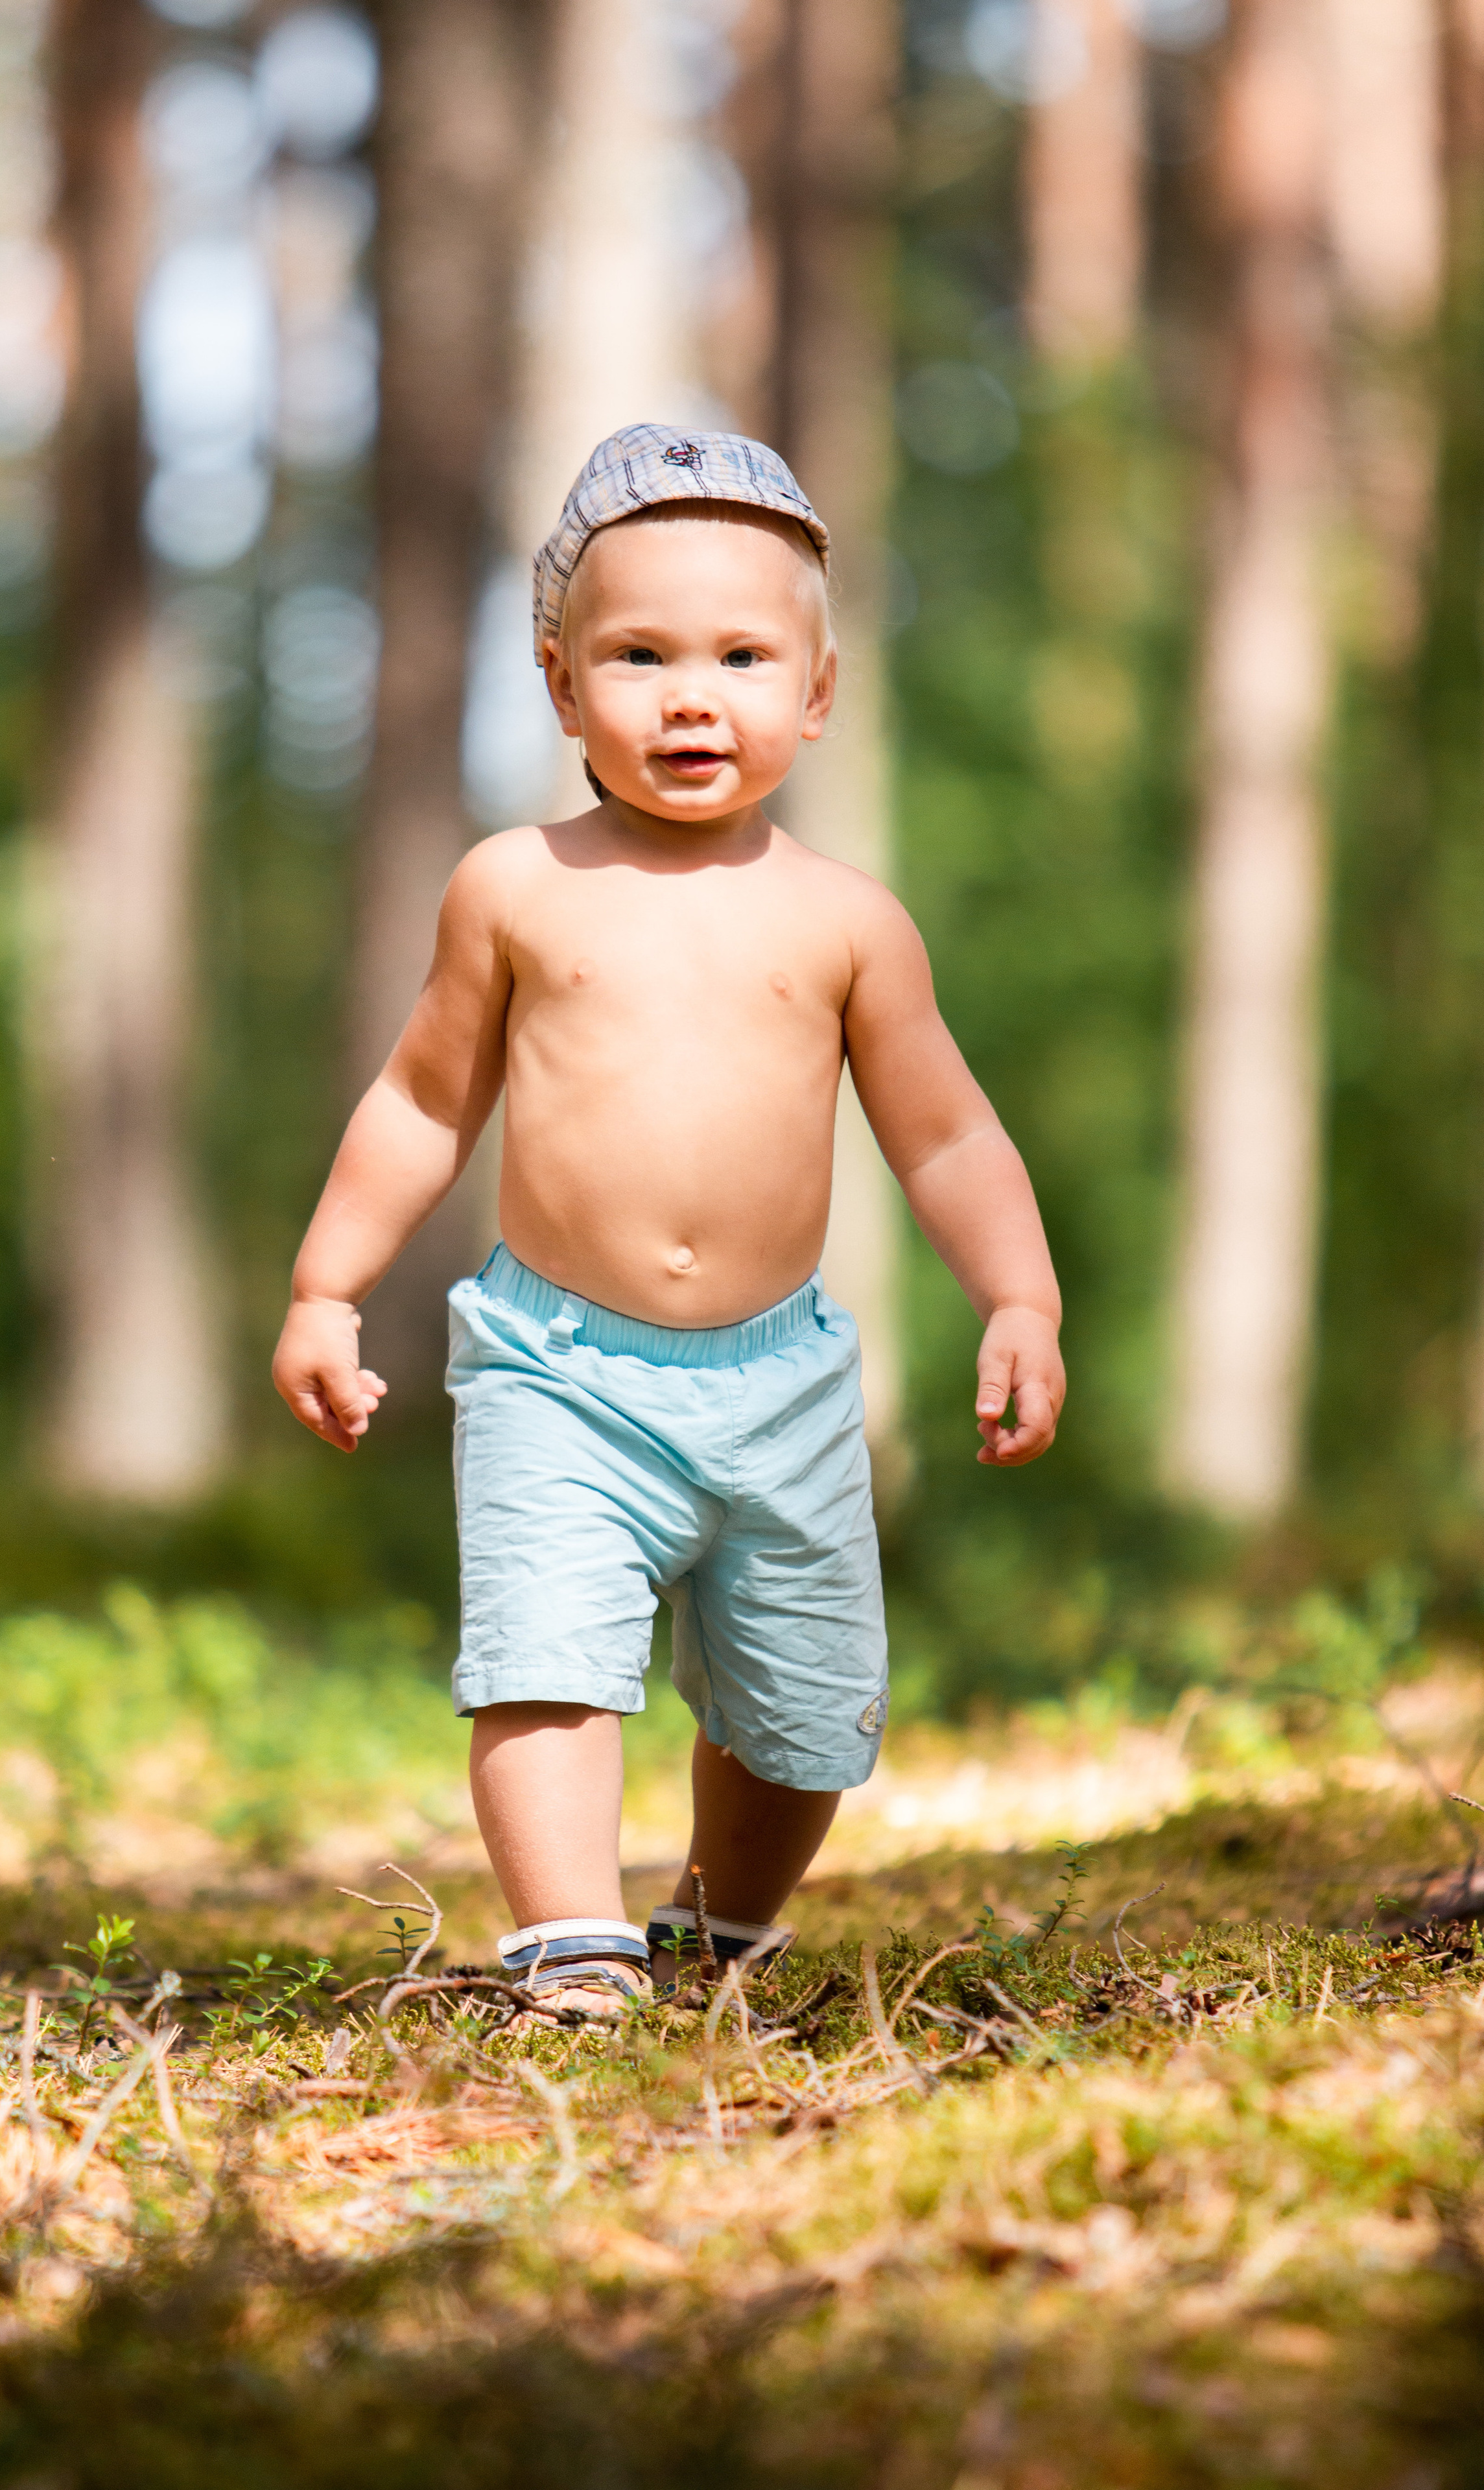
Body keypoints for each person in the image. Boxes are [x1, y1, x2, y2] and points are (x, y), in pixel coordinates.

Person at [272, 423, 1064, 2017]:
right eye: (638, 656)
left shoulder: (846, 922)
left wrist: (1017, 1298)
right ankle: (571, 1946)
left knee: (802, 1705)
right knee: (545, 1660)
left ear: (816, 694)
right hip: (556, 1367)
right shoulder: (516, 888)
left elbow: (947, 1130)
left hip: (776, 1380)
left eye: (741, 656)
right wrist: (325, 1286)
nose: (691, 695)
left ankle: (715, 1930)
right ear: (562, 689)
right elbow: (424, 1101)